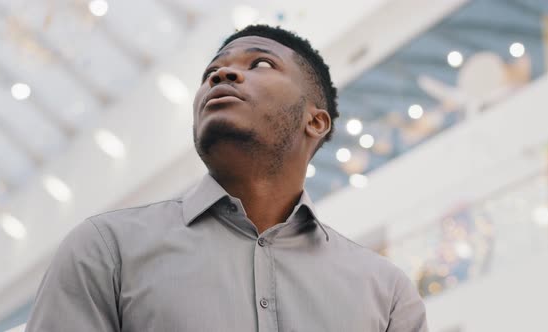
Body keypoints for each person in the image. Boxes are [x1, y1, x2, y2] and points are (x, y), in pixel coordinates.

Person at [26, 25, 428, 332]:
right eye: (211, 73)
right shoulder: (107, 250)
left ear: (316, 120)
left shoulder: (385, 292)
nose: (222, 77)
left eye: (261, 64)